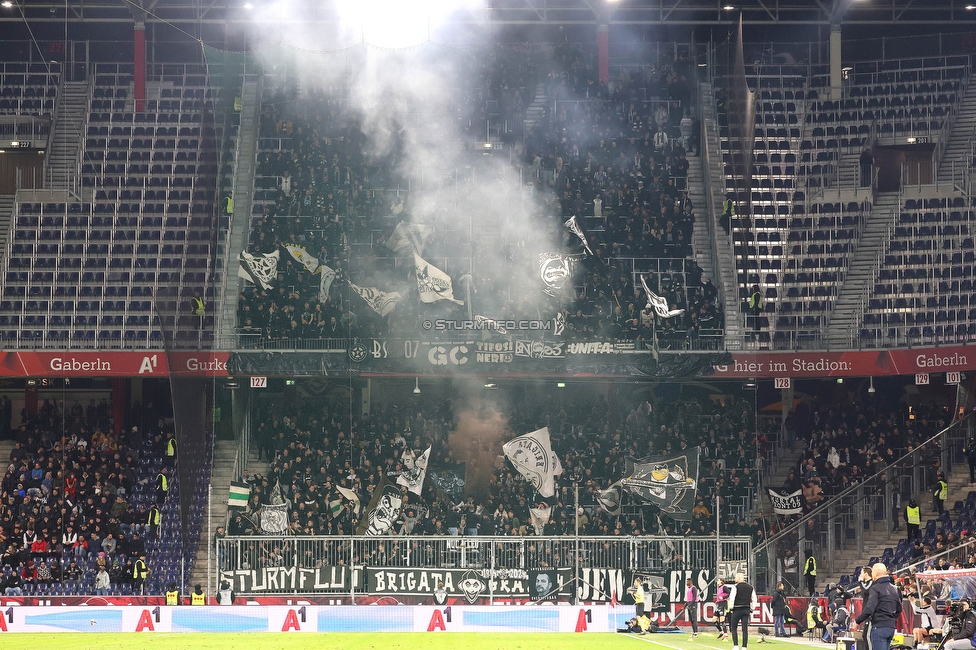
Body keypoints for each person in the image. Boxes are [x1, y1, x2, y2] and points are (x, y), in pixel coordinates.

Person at [854, 563, 902, 650]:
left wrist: (857, 621)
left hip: (879, 626)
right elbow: (899, 608)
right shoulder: (894, 588)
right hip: (890, 627)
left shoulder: (875, 588)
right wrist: (891, 618)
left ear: (876, 573)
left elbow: (869, 608)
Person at [727, 572, 758, 650]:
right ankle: (744, 646)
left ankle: (736, 645)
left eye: (735, 577)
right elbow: (754, 599)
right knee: (745, 629)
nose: (734, 579)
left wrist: (731, 608)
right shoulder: (751, 587)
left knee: (734, 627)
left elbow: (732, 598)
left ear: (738, 578)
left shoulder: (735, 587)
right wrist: (752, 608)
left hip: (737, 609)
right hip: (746, 609)